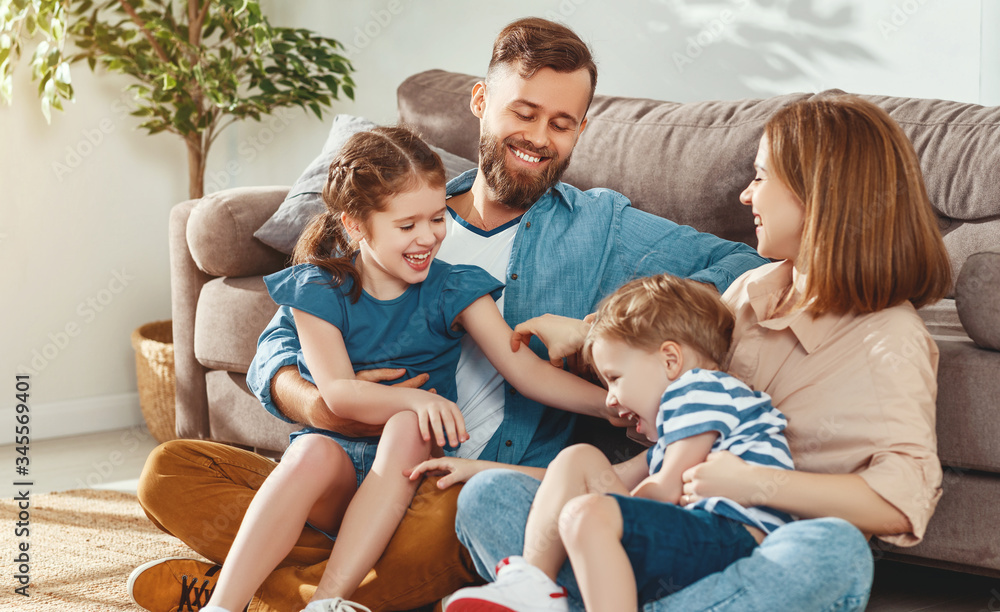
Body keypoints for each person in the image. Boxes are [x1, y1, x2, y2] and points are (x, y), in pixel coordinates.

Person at [129, 18, 769, 612]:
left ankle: (260, 588)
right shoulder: (398, 208)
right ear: (480, 102)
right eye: (524, 112)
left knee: (448, 533)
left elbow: (741, 260)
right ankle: (324, 587)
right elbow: (281, 341)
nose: (540, 139)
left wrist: (598, 328)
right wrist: (320, 403)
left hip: (447, 483)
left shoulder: (602, 224)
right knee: (171, 473)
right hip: (336, 457)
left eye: (563, 123)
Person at [450, 95, 952, 611]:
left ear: (817, 194)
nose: (744, 196)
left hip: (756, 551)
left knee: (834, 551)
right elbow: (668, 415)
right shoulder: (750, 292)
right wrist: (588, 338)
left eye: (760, 178)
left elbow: (899, 502)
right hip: (669, 528)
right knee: (490, 497)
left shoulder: (888, 337)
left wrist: (757, 483)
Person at [198, 126, 610, 612]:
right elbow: (337, 396)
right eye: (407, 225)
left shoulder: (454, 288)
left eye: (437, 218)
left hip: (415, 484)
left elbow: (528, 373)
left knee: (410, 426)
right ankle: (222, 605)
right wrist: (420, 397)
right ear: (355, 226)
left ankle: (326, 602)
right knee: (309, 451)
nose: (428, 237)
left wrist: (610, 406)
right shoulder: (317, 288)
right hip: (336, 480)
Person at [435, 274, 794, 612]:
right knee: (578, 459)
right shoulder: (680, 435)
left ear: (671, 360)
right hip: (695, 539)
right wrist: (478, 467)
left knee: (587, 515)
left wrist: (602, 514)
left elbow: (665, 489)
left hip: (734, 540)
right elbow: (595, 477)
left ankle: (541, 586)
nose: (609, 400)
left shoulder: (702, 389)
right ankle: (533, 583)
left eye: (615, 379)